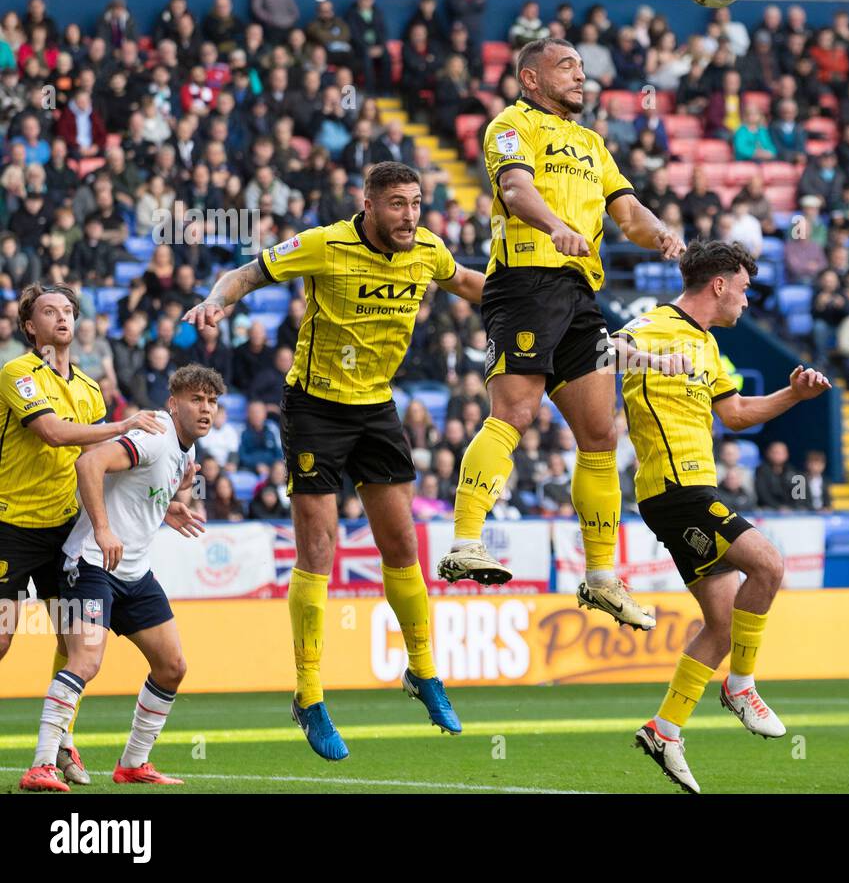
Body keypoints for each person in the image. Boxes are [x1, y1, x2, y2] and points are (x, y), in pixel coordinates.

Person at [183, 161, 486, 760]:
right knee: (317, 550)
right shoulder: (325, 244)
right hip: (316, 406)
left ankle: (423, 672)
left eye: (417, 202)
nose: (409, 215)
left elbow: (472, 285)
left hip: (376, 406)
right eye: (397, 203)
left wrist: (543, 300)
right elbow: (249, 273)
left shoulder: (428, 250)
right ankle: (310, 695)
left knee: (402, 547)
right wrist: (215, 303)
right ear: (368, 205)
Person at [438, 38, 684, 632]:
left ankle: (601, 577)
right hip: (525, 280)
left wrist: (666, 238)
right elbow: (517, 192)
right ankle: (465, 539)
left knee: (601, 433)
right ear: (530, 78)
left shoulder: (593, 144)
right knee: (516, 412)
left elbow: (628, 214)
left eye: (581, 66)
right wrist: (558, 228)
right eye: (566, 66)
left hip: (580, 295)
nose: (581, 76)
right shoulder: (510, 125)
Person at [610, 240, 830, 793]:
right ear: (719, 285)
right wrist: (655, 360)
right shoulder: (655, 323)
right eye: (745, 288)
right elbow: (601, 352)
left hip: (692, 487)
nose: (747, 301)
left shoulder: (709, 347)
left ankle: (665, 728)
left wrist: (792, 396)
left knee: (723, 624)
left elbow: (735, 414)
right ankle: (742, 686)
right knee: (770, 565)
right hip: (674, 489)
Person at [18, 365, 220, 792]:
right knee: (86, 662)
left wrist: (167, 508)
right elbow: (90, 464)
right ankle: (41, 765)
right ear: (173, 403)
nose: (205, 409)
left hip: (133, 572)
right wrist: (104, 529)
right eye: (196, 400)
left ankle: (133, 764)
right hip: (91, 563)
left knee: (172, 667)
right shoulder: (155, 434)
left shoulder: (186, 451)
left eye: (212, 402)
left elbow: (136, 488)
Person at [0, 284, 169, 787]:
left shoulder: (91, 388)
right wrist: (125, 424)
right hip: (11, 527)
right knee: (3, 638)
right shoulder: (17, 373)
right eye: (49, 311)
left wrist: (170, 501)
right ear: (31, 327)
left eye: (69, 310)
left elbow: (98, 464)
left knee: (75, 643)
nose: (62, 318)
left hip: (65, 532)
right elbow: (52, 432)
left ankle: (61, 746)